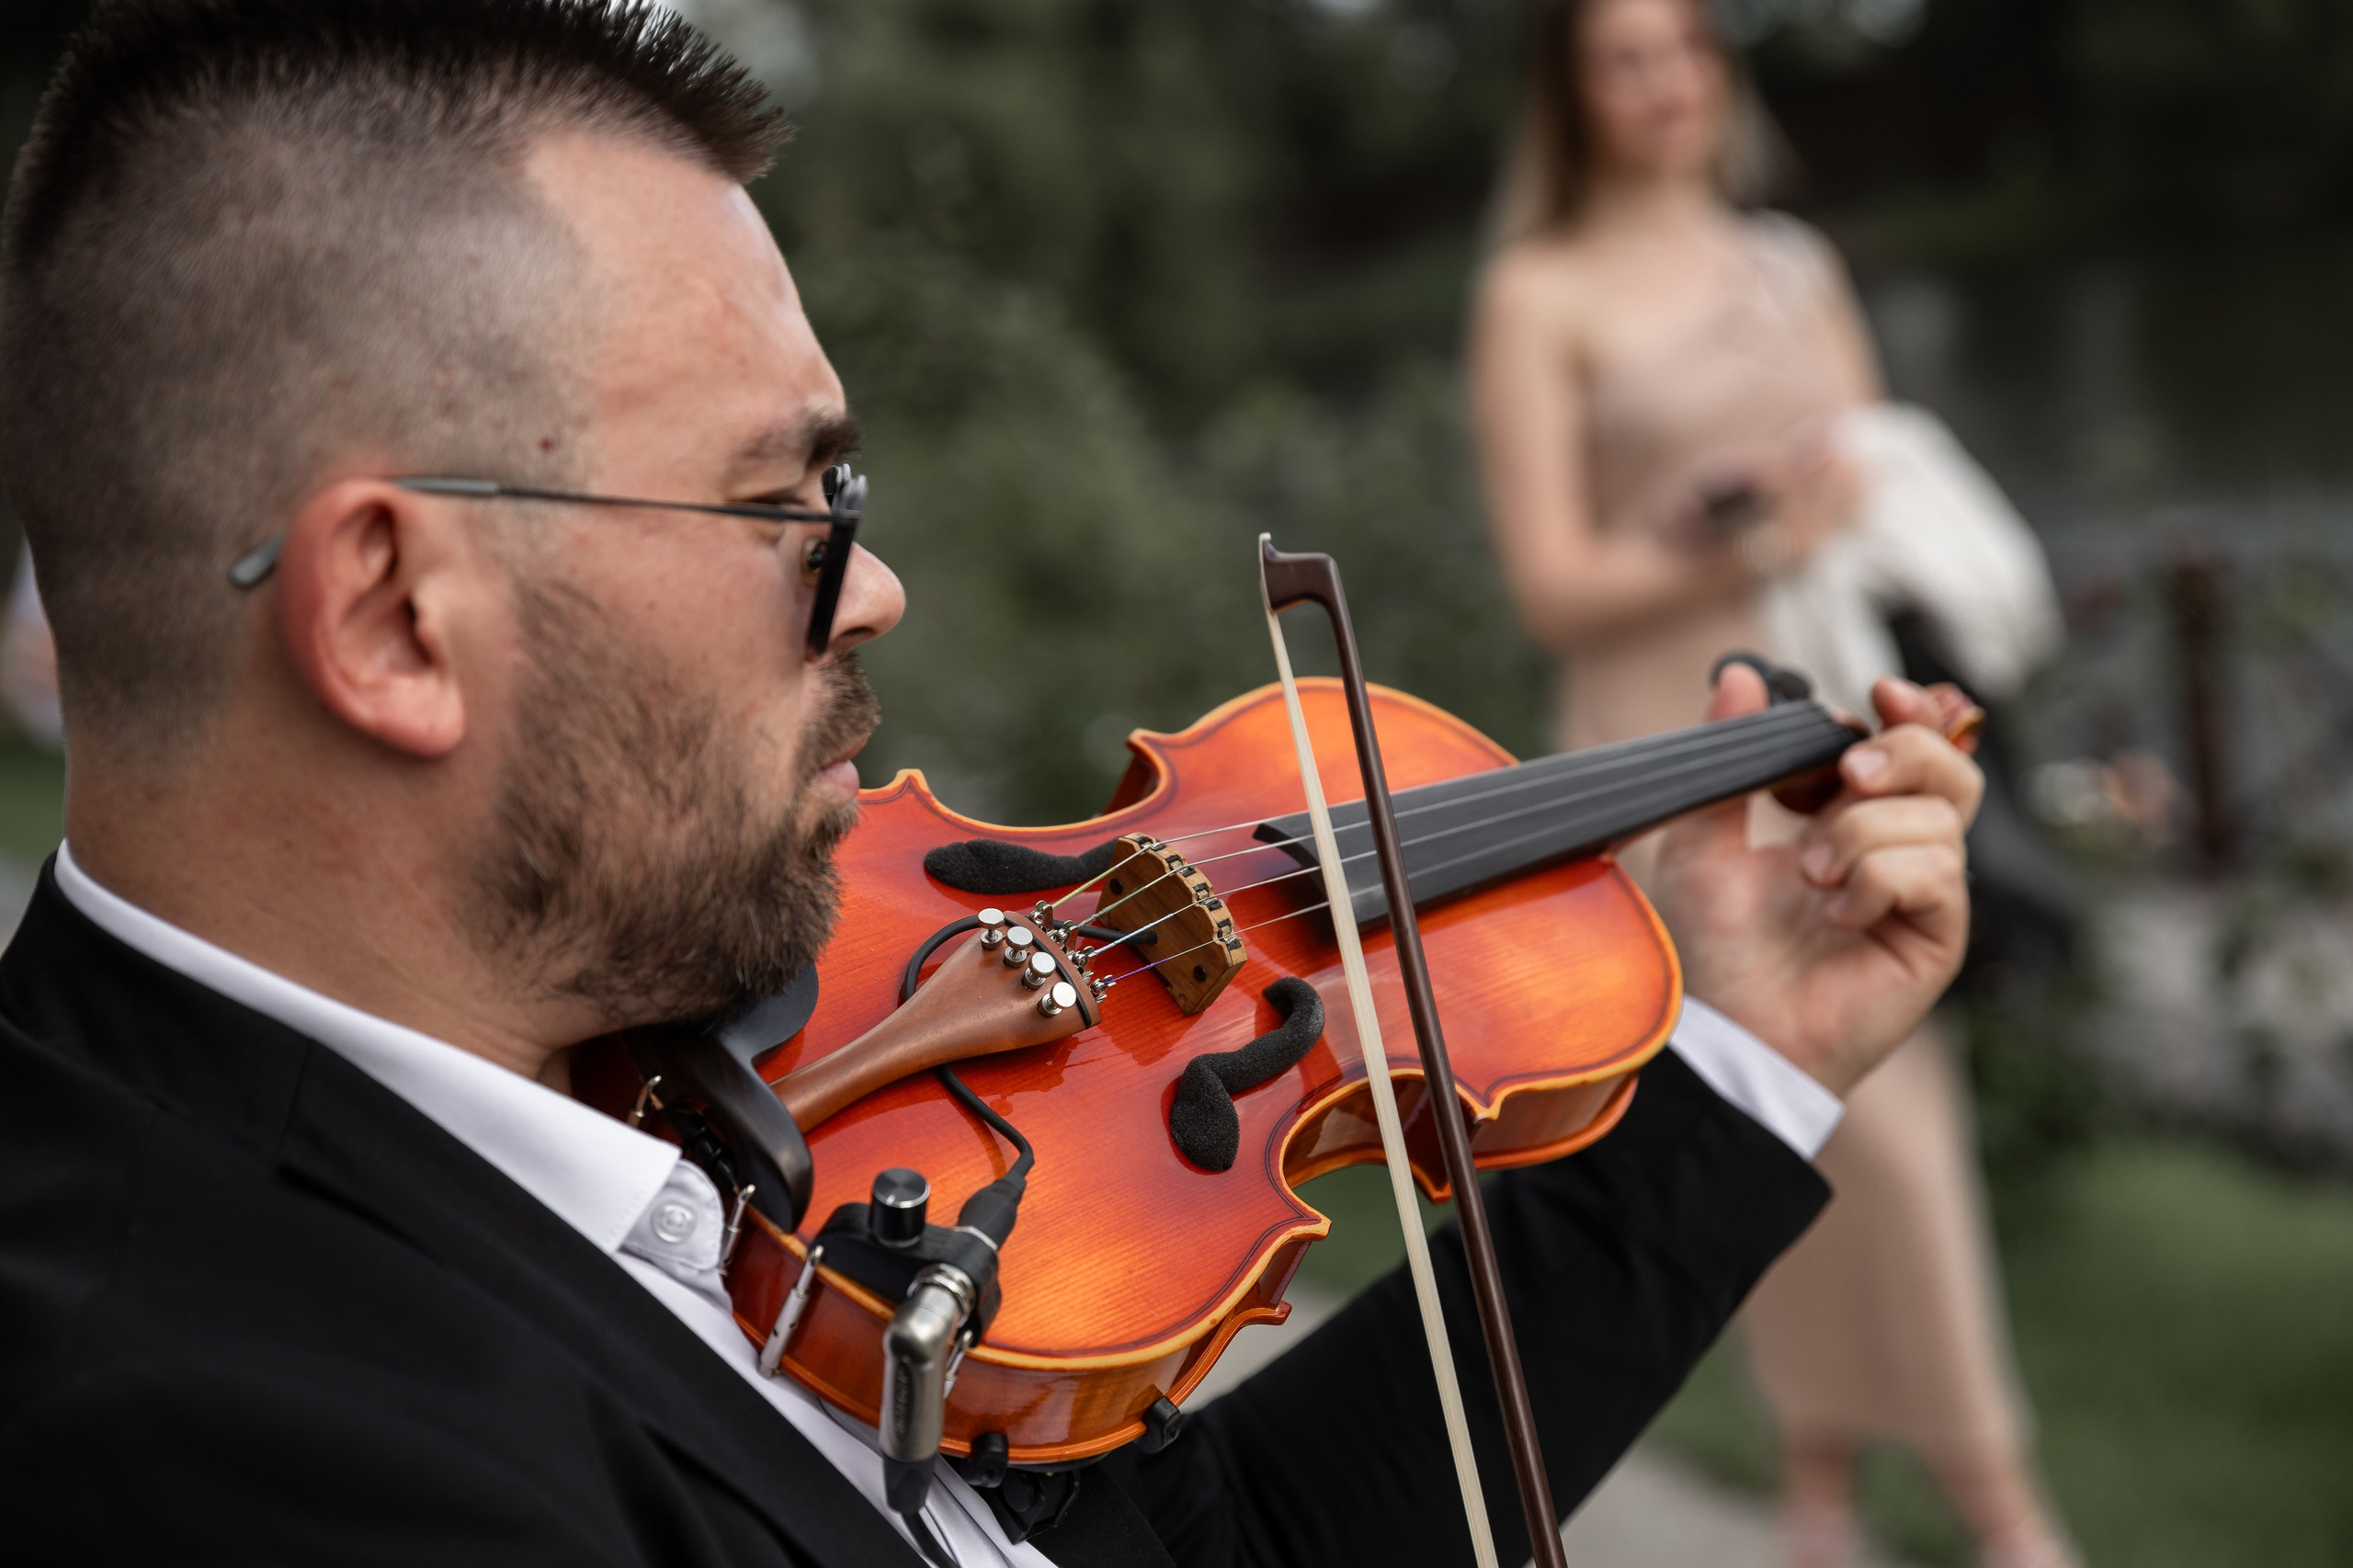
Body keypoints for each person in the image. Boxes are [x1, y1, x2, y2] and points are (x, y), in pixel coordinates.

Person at [0, 4, 1980, 1565]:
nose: (873, 585)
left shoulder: (599, 1054)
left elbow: (1206, 1545)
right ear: (397, 619)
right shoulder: (227, 1459)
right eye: (785, 500)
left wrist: (1741, 1048)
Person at [1468, 3, 2075, 1566]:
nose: (1668, 80)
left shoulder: (1794, 264)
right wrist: (1730, 532)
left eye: (1690, 46)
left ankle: (1978, 1500)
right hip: (1650, 738)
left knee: (1892, 1110)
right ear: (1574, 89)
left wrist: (1835, 528)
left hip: (1807, 711)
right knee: (1741, 1106)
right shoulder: (1537, 296)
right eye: (1627, 55)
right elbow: (1550, 582)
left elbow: (1876, 483)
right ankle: (1832, 1493)